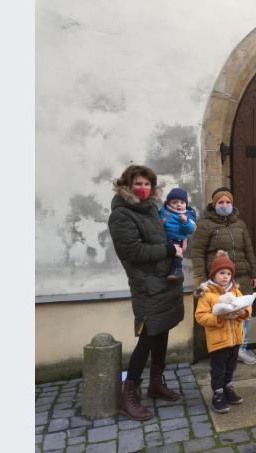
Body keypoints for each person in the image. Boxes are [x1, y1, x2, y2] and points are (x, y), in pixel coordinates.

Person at [108, 165, 185, 421]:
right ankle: (128, 394)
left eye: (147, 184)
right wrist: (168, 250)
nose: (143, 188)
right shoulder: (121, 215)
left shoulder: (152, 207)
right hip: (146, 286)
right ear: (127, 185)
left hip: (164, 281)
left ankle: (155, 384)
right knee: (147, 338)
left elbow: (163, 235)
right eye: (138, 184)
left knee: (162, 331)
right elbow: (134, 252)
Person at [191, 187, 256, 365]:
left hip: (242, 277)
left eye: (228, 202)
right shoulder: (205, 225)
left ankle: (241, 349)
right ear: (214, 205)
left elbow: (249, 250)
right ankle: (222, 350)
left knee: (245, 313)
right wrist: (200, 281)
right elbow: (197, 253)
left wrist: (254, 272)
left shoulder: (240, 224)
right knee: (221, 313)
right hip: (218, 280)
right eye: (221, 202)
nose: (225, 205)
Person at [194, 250, 251, 414]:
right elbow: (201, 316)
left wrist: (243, 313)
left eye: (228, 273)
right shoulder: (208, 294)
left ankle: (228, 389)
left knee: (230, 367)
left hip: (235, 339)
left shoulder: (235, 290)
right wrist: (219, 318)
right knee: (218, 369)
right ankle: (217, 395)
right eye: (221, 273)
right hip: (218, 341)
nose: (225, 276)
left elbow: (246, 306)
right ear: (214, 274)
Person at [159, 188, 197, 283]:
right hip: (164, 238)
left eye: (182, 202)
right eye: (175, 202)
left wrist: (185, 222)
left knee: (177, 256)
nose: (179, 205)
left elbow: (191, 230)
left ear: (186, 204)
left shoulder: (188, 214)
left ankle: (177, 271)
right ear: (168, 203)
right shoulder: (164, 211)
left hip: (178, 240)